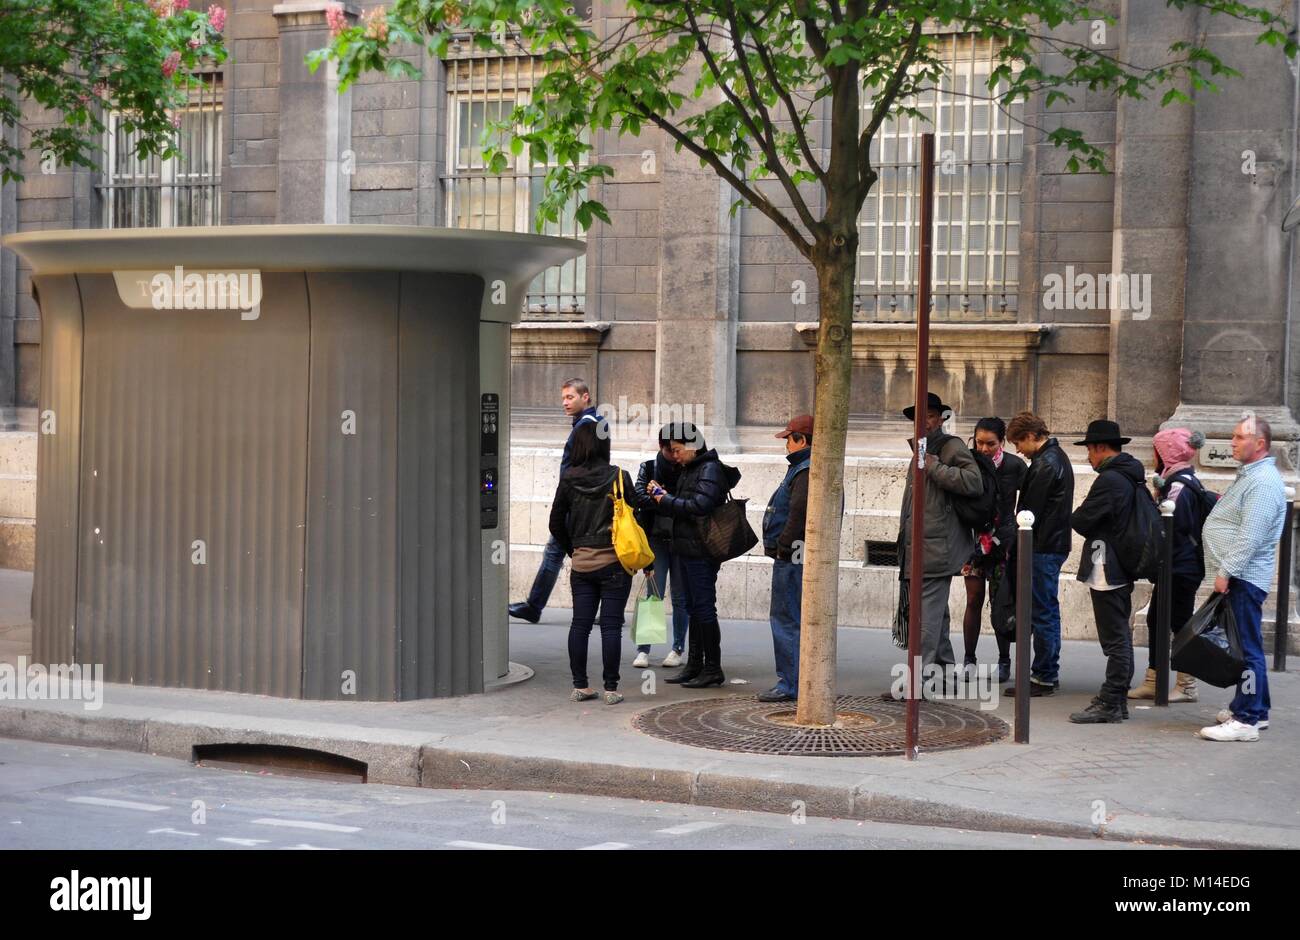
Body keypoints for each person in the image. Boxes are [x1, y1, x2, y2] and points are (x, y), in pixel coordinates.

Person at [1198, 415, 1287, 742]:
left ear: (1259, 444)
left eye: (1239, 437)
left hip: (1243, 578)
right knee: (1247, 645)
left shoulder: (1263, 483)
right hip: (1242, 577)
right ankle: (1256, 709)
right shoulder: (1252, 476)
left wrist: (1225, 572)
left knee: (1246, 649)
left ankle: (1246, 720)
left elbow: (1249, 536)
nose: (1232, 443)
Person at [548, 419, 641, 705]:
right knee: (611, 627)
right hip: (614, 563)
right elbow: (637, 513)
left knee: (580, 625)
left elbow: (555, 523)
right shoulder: (619, 476)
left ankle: (580, 686)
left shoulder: (569, 479)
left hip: (582, 564)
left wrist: (574, 548)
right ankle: (611, 689)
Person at [897, 392, 983, 677]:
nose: (924, 423)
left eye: (930, 417)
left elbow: (973, 482)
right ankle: (943, 672)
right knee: (936, 612)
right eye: (918, 419)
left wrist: (934, 467)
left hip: (937, 546)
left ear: (941, 418)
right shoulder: (920, 450)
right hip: (922, 545)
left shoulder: (949, 447)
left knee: (926, 617)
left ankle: (916, 681)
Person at [651, 422, 742, 688]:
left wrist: (664, 499)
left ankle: (712, 667)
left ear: (692, 446)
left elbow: (699, 506)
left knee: (703, 608)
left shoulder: (709, 469)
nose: (675, 456)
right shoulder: (691, 468)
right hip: (687, 548)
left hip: (702, 551)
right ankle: (694, 664)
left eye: (678, 450)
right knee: (693, 607)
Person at [1068, 419, 1146, 723]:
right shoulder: (1128, 475)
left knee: (1114, 639)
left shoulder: (1111, 480)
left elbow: (1082, 520)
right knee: (1119, 635)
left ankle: (1111, 701)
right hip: (1118, 563)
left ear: (1101, 447)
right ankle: (1117, 700)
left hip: (1107, 566)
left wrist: (1080, 515)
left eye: (1089, 448)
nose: (1088, 455)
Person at [1129, 427, 1211, 703]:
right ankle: (1155, 679)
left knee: (1179, 623)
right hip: (1182, 565)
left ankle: (1186, 684)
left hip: (1180, 567)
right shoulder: (1181, 480)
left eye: (1157, 450)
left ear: (1166, 453)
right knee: (1158, 619)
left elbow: (1171, 528)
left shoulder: (1178, 487)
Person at [510, 378, 601, 623]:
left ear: (586, 397)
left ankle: (534, 606)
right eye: (563, 398)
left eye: (570, 397)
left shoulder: (588, 426)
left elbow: (582, 469)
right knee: (573, 553)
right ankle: (535, 606)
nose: (565, 402)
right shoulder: (590, 424)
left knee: (560, 553)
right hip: (580, 503)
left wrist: (568, 501)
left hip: (575, 504)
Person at [1004, 411, 1074, 697]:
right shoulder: (1054, 458)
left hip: (1043, 546)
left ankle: (1044, 675)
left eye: (1019, 442)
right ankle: (1046, 672)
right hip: (1051, 544)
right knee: (1046, 610)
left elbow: (1029, 511)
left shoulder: (1046, 463)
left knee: (1042, 612)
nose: (1018, 450)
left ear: (1032, 436)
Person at [960, 416, 1028, 683]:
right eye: (979, 443)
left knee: (1002, 601)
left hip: (1006, 540)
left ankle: (1003, 660)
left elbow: (1031, 499)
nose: (984, 449)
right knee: (973, 599)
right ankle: (969, 659)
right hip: (976, 540)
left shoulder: (1015, 466)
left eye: (990, 443)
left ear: (1002, 442)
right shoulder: (969, 462)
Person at [758, 415, 813, 703]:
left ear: (801, 440)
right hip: (795, 555)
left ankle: (789, 683)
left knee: (785, 618)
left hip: (792, 558)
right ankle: (795, 680)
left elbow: (798, 515)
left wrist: (783, 547)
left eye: (789, 439)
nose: (786, 446)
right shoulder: (805, 468)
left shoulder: (805, 469)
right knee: (792, 618)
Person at [631, 428, 689, 669]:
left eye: (677, 449)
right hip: (655, 538)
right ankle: (644, 650)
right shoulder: (649, 467)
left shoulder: (687, 468)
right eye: (669, 450)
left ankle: (677, 648)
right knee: (653, 593)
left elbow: (686, 504)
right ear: (661, 446)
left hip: (681, 539)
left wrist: (660, 495)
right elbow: (637, 498)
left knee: (680, 597)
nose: (674, 455)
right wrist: (664, 500)